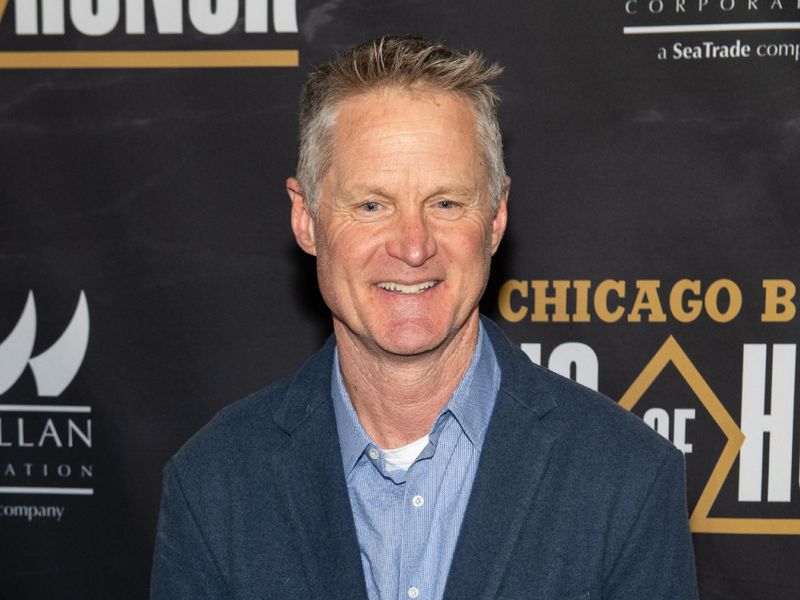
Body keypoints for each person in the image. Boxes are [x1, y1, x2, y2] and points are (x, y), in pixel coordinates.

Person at [150, 35, 699, 600]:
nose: (413, 247)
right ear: (306, 219)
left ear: (495, 216)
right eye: (371, 205)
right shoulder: (214, 482)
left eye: (446, 203)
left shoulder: (626, 476)